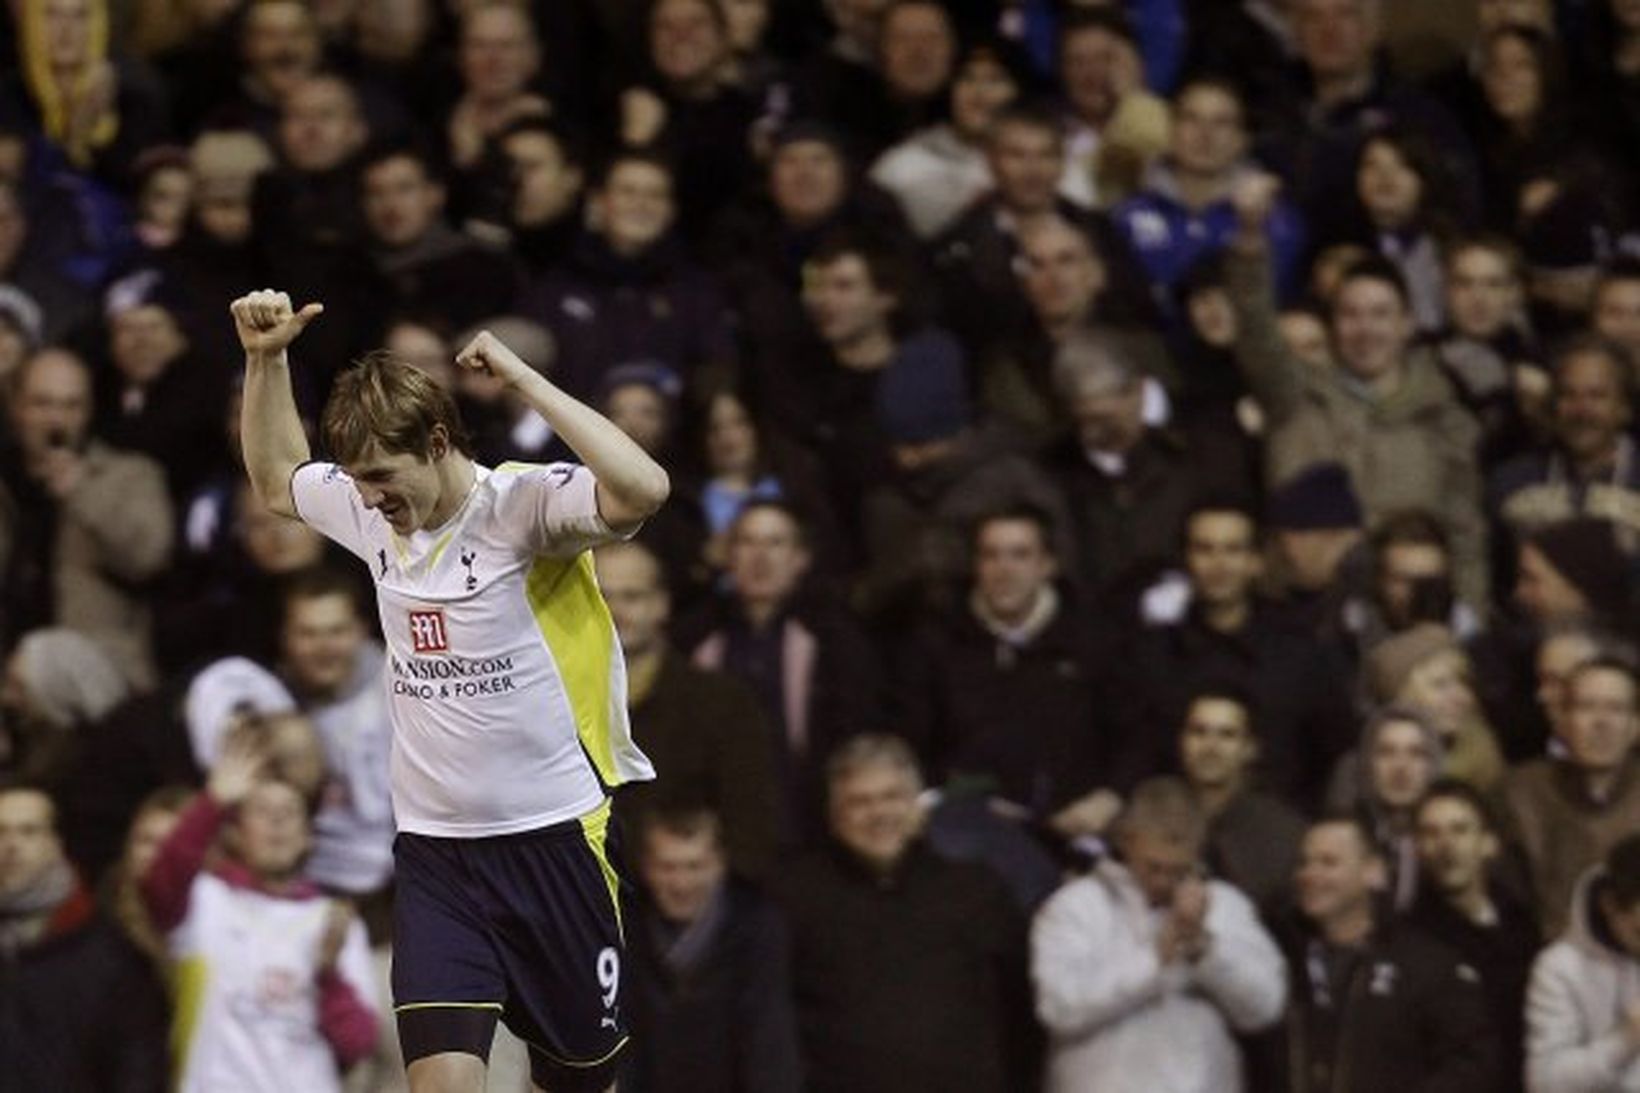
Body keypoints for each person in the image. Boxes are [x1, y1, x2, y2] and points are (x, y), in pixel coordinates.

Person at [230, 286, 669, 1093]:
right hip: (437, 857)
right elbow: (277, 479)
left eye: (383, 478)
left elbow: (643, 488)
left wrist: (526, 381)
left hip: (552, 844)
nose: (367, 498)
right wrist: (267, 361)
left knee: (580, 1085)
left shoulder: (521, 511)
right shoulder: (372, 517)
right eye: (358, 481)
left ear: (437, 441)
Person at [779, 734, 1036, 1093]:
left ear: (917, 806)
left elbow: (1022, 1014)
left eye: (892, 797)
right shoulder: (794, 896)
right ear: (834, 817)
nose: (879, 813)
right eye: (859, 802)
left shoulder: (976, 890)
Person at [140, 733, 381, 1093]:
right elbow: (159, 886)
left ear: (308, 837)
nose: (278, 823)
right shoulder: (206, 901)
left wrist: (329, 977)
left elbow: (358, 1044)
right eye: (263, 812)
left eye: (289, 813)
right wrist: (213, 802)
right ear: (236, 833)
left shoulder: (334, 921)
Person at [1029, 777, 1287, 1093]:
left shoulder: (1225, 906)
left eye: (1178, 869)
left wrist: (1203, 949)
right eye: (1154, 867)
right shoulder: (1074, 907)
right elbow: (1058, 1008)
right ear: (1128, 840)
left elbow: (1264, 1008)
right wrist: (1154, 959)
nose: (1165, 881)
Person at [595, 540, 780, 880]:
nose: (615, 610)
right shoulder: (549, 705)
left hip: (690, 911)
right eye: (602, 597)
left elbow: (751, 828)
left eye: (632, 596)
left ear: (662, 604)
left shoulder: (723, 703)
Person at [1275, 815, 1500, 1092]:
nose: (1309, 875)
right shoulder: (1281, 958)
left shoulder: (1426, 965)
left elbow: (1472, 1065)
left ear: (1373, 872)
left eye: (1328, 862)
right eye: (1304, 863)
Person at [0, 347, 174, 688]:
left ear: (88, 411)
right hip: (9, 661)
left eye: (70, 406)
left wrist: (83, 493)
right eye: (42, 404)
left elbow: (148, 558)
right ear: (16, 408)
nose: (56, 420)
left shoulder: (130, 475)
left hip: (101, 667)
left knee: (43, 657)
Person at [0, 785, 170, 1093]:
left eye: (28, 832)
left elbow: (136, 1066)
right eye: (1, 832)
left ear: (55, 844)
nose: (11, 845)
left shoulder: (106, 952)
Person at [623, 807, 802, 1093]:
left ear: (720, 864)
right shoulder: (623, 928)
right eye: (667, 867)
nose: (681, 884)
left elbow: (768, 1039)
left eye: (695, 866)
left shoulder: (757, 927)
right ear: (645, 867)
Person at [1410, 780, 1539, 1093]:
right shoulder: (1408, 942)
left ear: (1488, 843)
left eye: (1460, 830)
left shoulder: (1523, 927)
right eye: (1431, 833)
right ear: (1416, 848)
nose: (1446, 845)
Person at [1502, 656, 1640, 935]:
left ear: (1635, 725)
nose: (1601, 722)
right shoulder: (1518, 794)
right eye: (1586, 707)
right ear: (1562, 721)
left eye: (1616, 708)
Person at [1176, 684, 1306, 916]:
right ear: (1182, 742)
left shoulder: (1282, 833)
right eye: (1198, 732)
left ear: (1250, 749)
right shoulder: (1157, 815)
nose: (1210, 747)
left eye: (1227, 735)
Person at [1526, 832, 1640, 1091]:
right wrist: (1625, 1040)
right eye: (1639, 932)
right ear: (1609, 905)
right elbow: (1544, 1082)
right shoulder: (1557, 969)